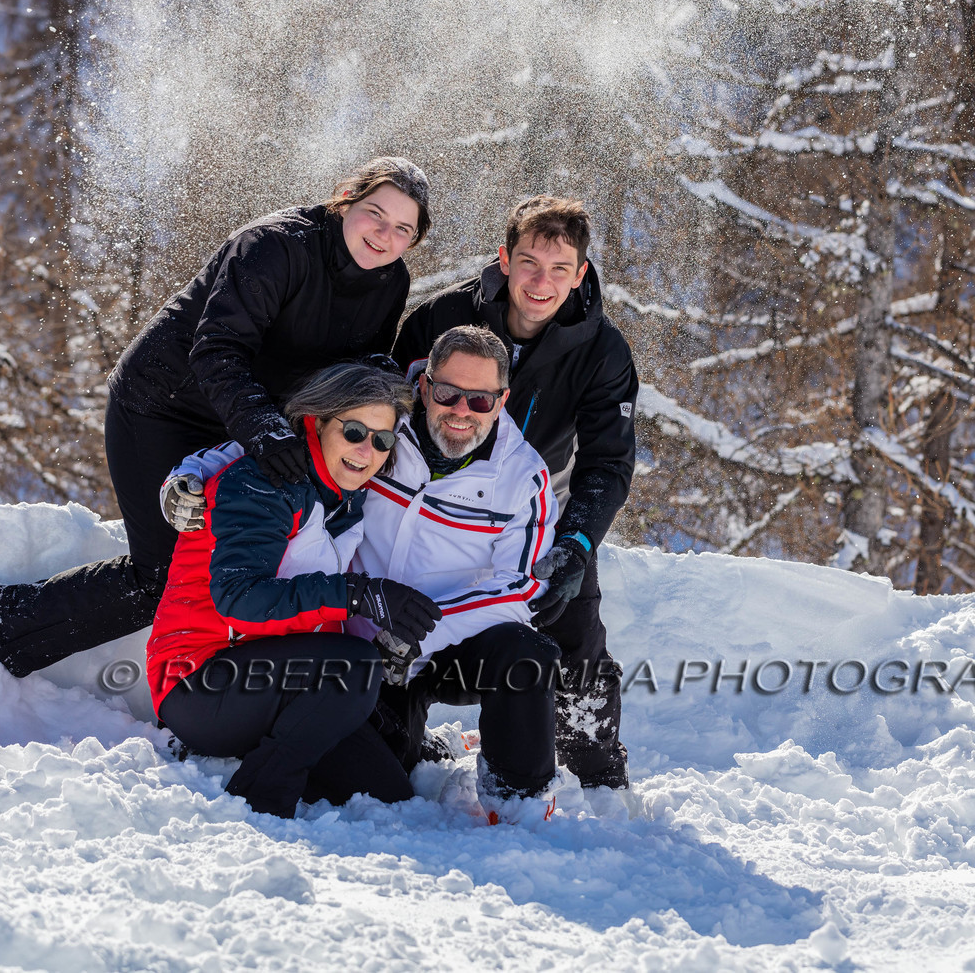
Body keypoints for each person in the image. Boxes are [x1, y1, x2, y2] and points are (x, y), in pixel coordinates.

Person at [0, 157, 431, 676]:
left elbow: (355, 378)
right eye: (374, 213)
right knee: (161, 573)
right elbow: (219, 349)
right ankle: (1, 620)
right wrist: (265, 432)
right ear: (344, 202)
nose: (384, 235)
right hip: (164, 404)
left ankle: (226, 695)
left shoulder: (389, 283)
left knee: (239, 565)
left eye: (403, 228)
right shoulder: (274, 247)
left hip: (250, 420)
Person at [169, 326, 563, 815]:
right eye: (448, 393)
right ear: (425, 386)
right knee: (374, 751)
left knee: (521, 661)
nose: (462, 410)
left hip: (415, 645)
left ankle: (519, 802)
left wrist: (415, 631)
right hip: (320, 657)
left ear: (502, 401)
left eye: (480, 400)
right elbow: (272, 451)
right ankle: (259, 788)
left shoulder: (520, 476)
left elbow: (521, 585)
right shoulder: (383, 428)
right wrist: (190, 472)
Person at [391, 196, 638, 790]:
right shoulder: (442, 318)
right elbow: (386, 405)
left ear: (581, 273)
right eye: (529, 262)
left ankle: (597, 772)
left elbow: (608, 462)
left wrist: (575, 544)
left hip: (536, 512)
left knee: (573, 632)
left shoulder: (602, 351)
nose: (541, 282)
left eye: (559, 269)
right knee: (400, 624)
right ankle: (404, 741)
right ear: (504, 259)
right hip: (432, 504)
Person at [148, 363, 440, 818]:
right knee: (353, 665)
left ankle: (279, 757)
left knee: (389, 791)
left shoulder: (343, 496)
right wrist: (358, 594)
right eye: (356, 431)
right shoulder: (263, 482)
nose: (367, 451)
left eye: (383, 440)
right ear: (319, 421)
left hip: (274, 684)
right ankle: (260, 798)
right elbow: (240, 601)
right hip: (198, 683)